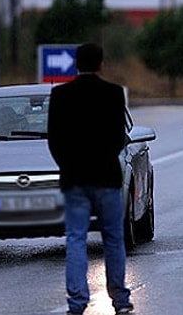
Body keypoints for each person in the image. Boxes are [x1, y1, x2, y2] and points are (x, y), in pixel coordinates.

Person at [47, 42, 133, 315]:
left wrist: (68, 165)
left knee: (75, 238)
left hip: (74, 179)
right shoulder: (114, 93)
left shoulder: (60, 95)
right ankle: (120, 300)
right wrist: (106, 158)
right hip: (106, 177)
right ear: (101, 64)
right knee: (113, 239)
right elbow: (119, 137)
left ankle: (77, 302)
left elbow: (55, 140)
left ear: (76, 64)